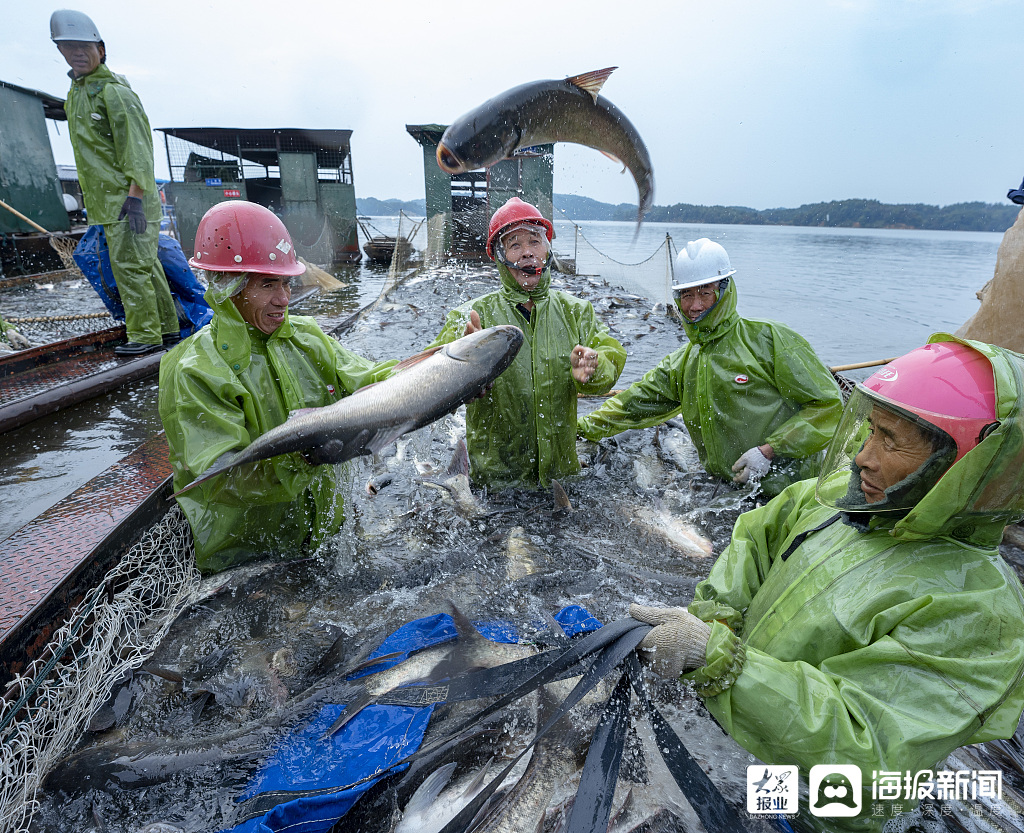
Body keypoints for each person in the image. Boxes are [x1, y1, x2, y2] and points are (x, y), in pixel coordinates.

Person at [629, 335, 1024, 830]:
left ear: (963, 466)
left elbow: (868, 751)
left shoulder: (979, 608)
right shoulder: (846, 500)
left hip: (818, 809)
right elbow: (755, 541)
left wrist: (722, 662)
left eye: (892, 441)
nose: (863, 457)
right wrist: (716, 618)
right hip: (741, 731)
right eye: (870, 431)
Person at [158, 201, 396, 574]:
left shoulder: (307, 338)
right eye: (268, 284)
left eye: (285, 282)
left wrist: (450, 359)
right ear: (227, 286)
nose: (284, 299)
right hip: (247, 562)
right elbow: (222, 477)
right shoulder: (194, 370)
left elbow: (376, 379)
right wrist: (307, 457)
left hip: (323, 541)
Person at [577, 238, 843, 497]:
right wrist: (579, 428)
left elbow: (829, 407)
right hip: (729, 488)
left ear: (725, 291)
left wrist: (769, 450)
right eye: (687, 295)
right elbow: (633, 403)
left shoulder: (771, 339)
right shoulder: (684, 361)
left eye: (706, 293)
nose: (695, 306)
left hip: (792, 490)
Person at [426, 197, 625, 490]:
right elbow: (432, 380)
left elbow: (611, 355)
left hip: (562, 477)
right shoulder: (470, 316)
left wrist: (594, 369)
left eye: (534, 241)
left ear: (547, 250)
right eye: (514, 245)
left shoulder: (577, 311)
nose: (526, 253)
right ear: (499, 256)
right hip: (496, 482)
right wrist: (463, 373)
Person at [51, 10, 180, 356]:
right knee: (146, 267)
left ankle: (145, 336)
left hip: (127, 201)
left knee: (131, 270)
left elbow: (137, 148)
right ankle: (166, 330)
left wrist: (135, 196)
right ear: (61, 51)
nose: (78, 53)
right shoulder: (77, 94)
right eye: (69, 47)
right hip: (106, 202)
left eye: (85, 46)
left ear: (101, 49)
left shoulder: (114, 93)